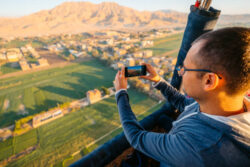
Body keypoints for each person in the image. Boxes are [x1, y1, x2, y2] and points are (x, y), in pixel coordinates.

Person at [114, 27, 250, 167]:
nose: (180, 73)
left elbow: (136, 137)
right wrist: (158, 81)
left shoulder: (200, 148)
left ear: (209, 81)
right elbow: (185, 104)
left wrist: (121, 92)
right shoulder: (223, 104)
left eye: (184, 68)